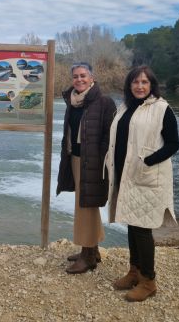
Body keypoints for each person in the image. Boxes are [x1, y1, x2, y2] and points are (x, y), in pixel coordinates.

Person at [104, 65, 179, 302]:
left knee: (143, 228)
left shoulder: (162, 109)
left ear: (151, 85)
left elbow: (173, 144)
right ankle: (134, 271)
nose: (139, 86)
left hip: (146, 176)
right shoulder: (125, 107)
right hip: (125, 175)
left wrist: (149, 160)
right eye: (135, 82)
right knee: (131, 223)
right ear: (129, 85)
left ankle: (148, 281)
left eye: (144, 82)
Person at [56, 62, 116, 274]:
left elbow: (110, 137)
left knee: (85, 206)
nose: (79, 79)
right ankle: (94, 249)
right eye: (75, 76)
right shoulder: (72, 101)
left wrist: (100, 162)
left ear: (92, 78)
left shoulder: (104, 102)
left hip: (93, 163)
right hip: (75, 159)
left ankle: (87, 256)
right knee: (86, 205)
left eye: (83, 75)